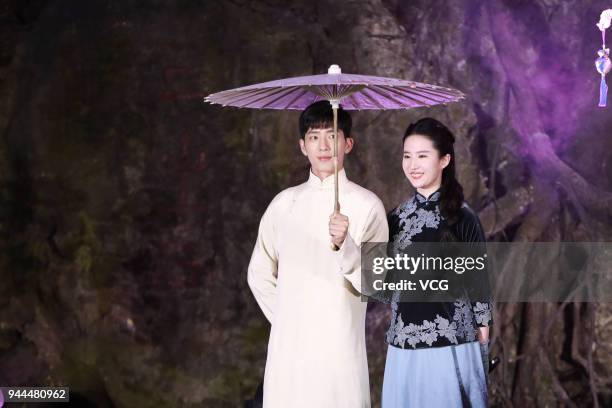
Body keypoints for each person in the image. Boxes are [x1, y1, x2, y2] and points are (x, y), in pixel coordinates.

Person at [247, 100, 388, 408]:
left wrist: (346, 246)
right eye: (314, 137)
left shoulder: (368, 206)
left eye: (332, 135)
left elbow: (375, 281)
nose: (324, 145)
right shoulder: (284, 204)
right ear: (302, 146)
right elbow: (258, 273)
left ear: (348, 143)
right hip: (290, 355)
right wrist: (288, 320)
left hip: (340, 351)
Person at [382, 118, 493, 407]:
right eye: (407, 156)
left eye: (422, 156)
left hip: (452, 346)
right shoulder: (395, 218)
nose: (413, 164)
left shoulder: (463, 218)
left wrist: (482, 351)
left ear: (444, 160)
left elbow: (480, 291)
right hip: (402, 345)